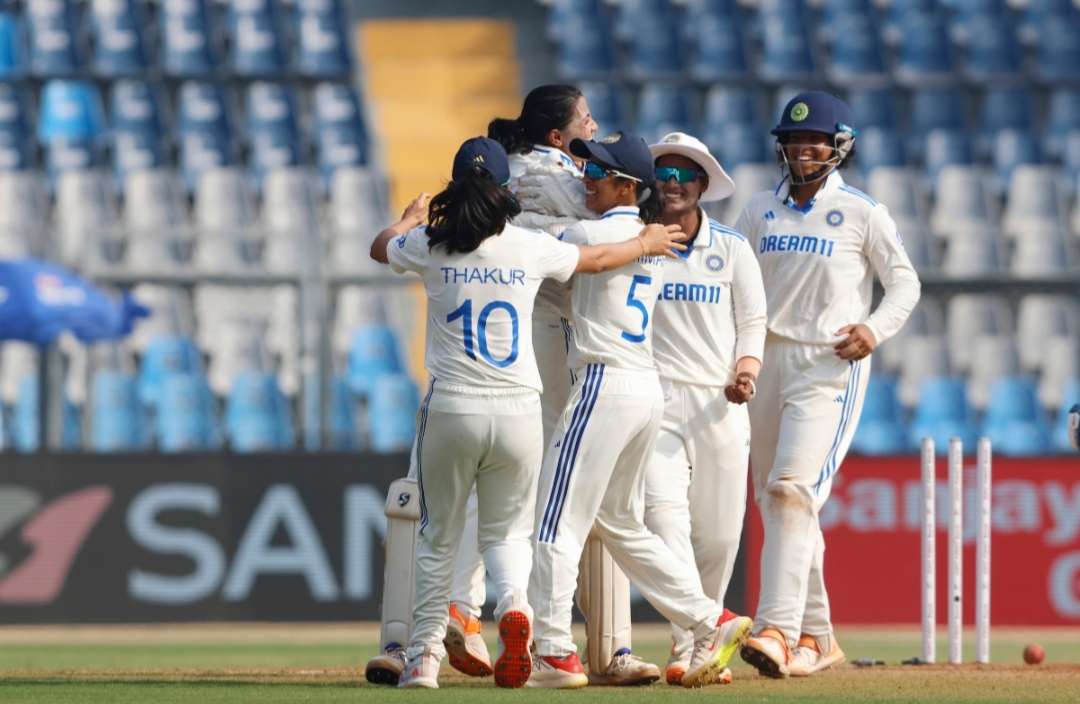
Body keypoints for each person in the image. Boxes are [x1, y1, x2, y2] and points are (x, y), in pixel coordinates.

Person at [369, 136, 688, 689]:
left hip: (453, 407)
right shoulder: (528, 245)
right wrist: (647, 240)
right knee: (507, 534)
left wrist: (406, 220)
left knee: (438, 536)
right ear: (503, 190)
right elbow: (596, 259)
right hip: (518, 408)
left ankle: (422, 659)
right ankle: (515, 605)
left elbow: (380, 248)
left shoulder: (429, 243)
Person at [526, 131, 752, 690]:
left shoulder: (588, 232)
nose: (585, 181)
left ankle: (554, 650)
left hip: (602, 383)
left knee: (556, 520)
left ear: (627, 185)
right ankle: (709, 618)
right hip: (645, 390)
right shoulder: (660, 241)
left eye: (596, 174)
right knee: (621, 522)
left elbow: (532, 251)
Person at [734, 92, 921, 678]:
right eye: (793, 140)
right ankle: (819, 636)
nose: (803, 149)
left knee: (792, 491)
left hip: (828, 364)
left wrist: (874, 328)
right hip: (766, 364)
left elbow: (905, 284)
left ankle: (777, 629)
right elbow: (735, 282)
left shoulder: (864, 211)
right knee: (780, 502)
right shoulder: (759, 209)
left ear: (839, 146)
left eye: (814, 139)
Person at [642, 132, 767, 686]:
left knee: (717, 536)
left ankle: (701, 643)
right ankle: (690, 634)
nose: (671, 185)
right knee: (664, 521)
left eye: (682, 177)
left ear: (701, 185)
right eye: (662, 176)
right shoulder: (638, 242)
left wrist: (747, 369)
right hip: (655, 400)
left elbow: (753, 321)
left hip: (719, 403)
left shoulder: (732, 248)